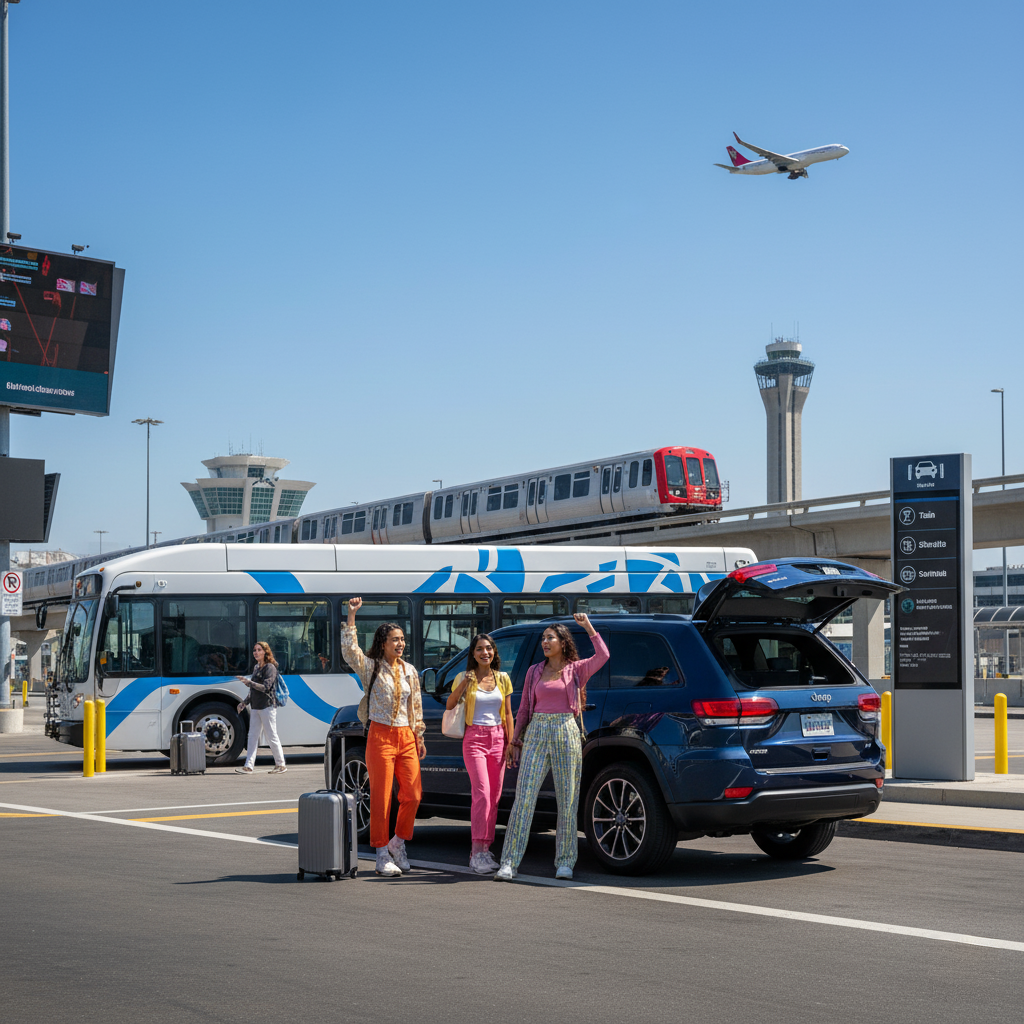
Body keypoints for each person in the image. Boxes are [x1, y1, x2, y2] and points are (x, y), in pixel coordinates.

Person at [495, 614, 608, 882]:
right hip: (536, 732)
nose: (544, 642)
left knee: (567, 800)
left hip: (566, 730)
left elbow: (603, 655)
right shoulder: (535, 671)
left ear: (562, 642)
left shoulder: (576, 669)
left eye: (550, 638)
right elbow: (523, 709)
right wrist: (515, 739)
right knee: (524, 798)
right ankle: (509, 862)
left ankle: (565, 862)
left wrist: (588, 627)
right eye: (543, 638)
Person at [341, 597, 426, 877]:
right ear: (383, 642)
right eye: (394, 639)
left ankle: (397, 842)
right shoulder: (371, 667)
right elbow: (350, 652)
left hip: (406, 736)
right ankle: (380, 853)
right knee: (380, 798)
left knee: (413, 795)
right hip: (380, 735)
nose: (400, 644)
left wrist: (419, 736)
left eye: (402, 639)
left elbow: (415, 707)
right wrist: (351, 616)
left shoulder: (410, 670)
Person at [446, 634, 514, 874]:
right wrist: (465, 682)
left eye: (488, 649)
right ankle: (476, 852)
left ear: (494, 652)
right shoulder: (464, 677)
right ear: (472, 654)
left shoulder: (503, 678)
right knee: (482, 794)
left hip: (498, 739)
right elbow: (450, 705)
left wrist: (511, 743)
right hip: (474, 739)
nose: (485, 653)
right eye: (479, 649)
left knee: (494, 797)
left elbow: (507, 713)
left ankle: (486, 849)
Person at [234, 641, 287, 775]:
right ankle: (248, 766)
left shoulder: (270, 667)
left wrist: (249, 682)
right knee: (252, 736)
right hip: (256, 707)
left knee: (271, 736)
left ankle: (281, 765)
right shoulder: (257, 667)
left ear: (265, 652)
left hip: (267, 706)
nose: (256, 652)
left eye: (259, 650)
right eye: (254, 650)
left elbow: (266, 687)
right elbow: (253, 690)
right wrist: (244, 703)